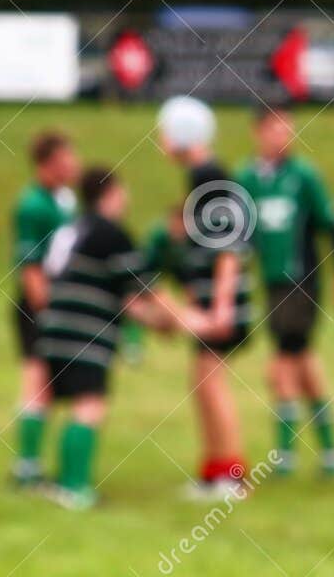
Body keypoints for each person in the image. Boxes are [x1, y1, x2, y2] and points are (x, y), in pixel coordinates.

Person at [32, 166, 213, 509]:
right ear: (111, 193)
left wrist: (160, 325)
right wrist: (194, 322)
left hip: (55, 328)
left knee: (78, 405)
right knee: (90, 404)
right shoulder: (112, 233)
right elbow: (151, 291)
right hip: (83, 332)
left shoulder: (78, 228)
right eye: (122, 191)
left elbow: (128, 301)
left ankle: (66, 483)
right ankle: (74, 488)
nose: (126, 198)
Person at [237, 106, 334, 475]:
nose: (284, 136)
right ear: (259, 132)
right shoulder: (247, 178)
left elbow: (331, 226)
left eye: (289, 130)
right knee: (301, 361)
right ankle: (330, 450)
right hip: (270, 282)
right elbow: (241, 235)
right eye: (277, 129)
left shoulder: (304, 176)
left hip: (302, 280)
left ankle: (286, 453)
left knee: (284, 361)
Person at [156, 95, 256, 498]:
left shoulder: (207, 176)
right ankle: (216, 471)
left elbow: (230, 245)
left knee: (212, 382)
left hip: (222, 300)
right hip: (213, 298)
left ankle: (232, 476)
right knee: (202, 381)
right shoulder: (201, 176)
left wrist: (221, 305)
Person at [8, 130, 80, 486]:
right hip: (39, 306)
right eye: (67, 160)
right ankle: (27, 466)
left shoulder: (65, 201)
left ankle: (36, 464)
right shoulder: (32, 205)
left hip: (61, 304)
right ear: (48, 164)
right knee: (36, 381)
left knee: (50, 385)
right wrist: (46, 309)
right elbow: (30, 267)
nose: (74, 166)